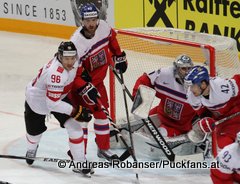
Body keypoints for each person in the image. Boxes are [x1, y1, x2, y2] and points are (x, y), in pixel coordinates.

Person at [69, 3, 127, 161]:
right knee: (83, 119)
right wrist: (84, 87)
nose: (91, 24)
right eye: (87, 21)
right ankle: (79, 156)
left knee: (102, 115)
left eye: (94, 19)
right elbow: (72, 73)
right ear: (81, 21)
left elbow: (112, 39)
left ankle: (103, 149)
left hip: (98, 83)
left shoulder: (104, 27)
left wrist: (119, 55)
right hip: (81, 89)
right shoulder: (76, 44)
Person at [24, 41, 93, 175]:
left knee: (75, 127)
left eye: (72, 58)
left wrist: (84, 84)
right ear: (60, 57)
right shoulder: (56, 73)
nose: (70, 62)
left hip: (58, 96)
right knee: (34, 134)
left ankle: (79, 162)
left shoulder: (74, 61)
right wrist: (74, 111)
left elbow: (77, 74)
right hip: (37, 101)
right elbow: (52, 104)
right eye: (67, 59)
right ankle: (31, 148)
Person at [131, 54, 197, 137]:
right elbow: (145, 79)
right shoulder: (165, 75)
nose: (187, 72)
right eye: (183, 68)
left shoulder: (197, 85)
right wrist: (138, 98)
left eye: (189, 68)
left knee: (160, 134)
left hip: (180, 126)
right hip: (160, 114)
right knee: (138, 123)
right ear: (176, 69)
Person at [184, 65, 240, 151]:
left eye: (193, 86)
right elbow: (202, 112)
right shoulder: (192, 95)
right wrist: (207, 120)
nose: (190, 89)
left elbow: (238, 80)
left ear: (203, 84)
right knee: (222, 145)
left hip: (236, 111)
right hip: (223, 119)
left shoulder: (221, 88)